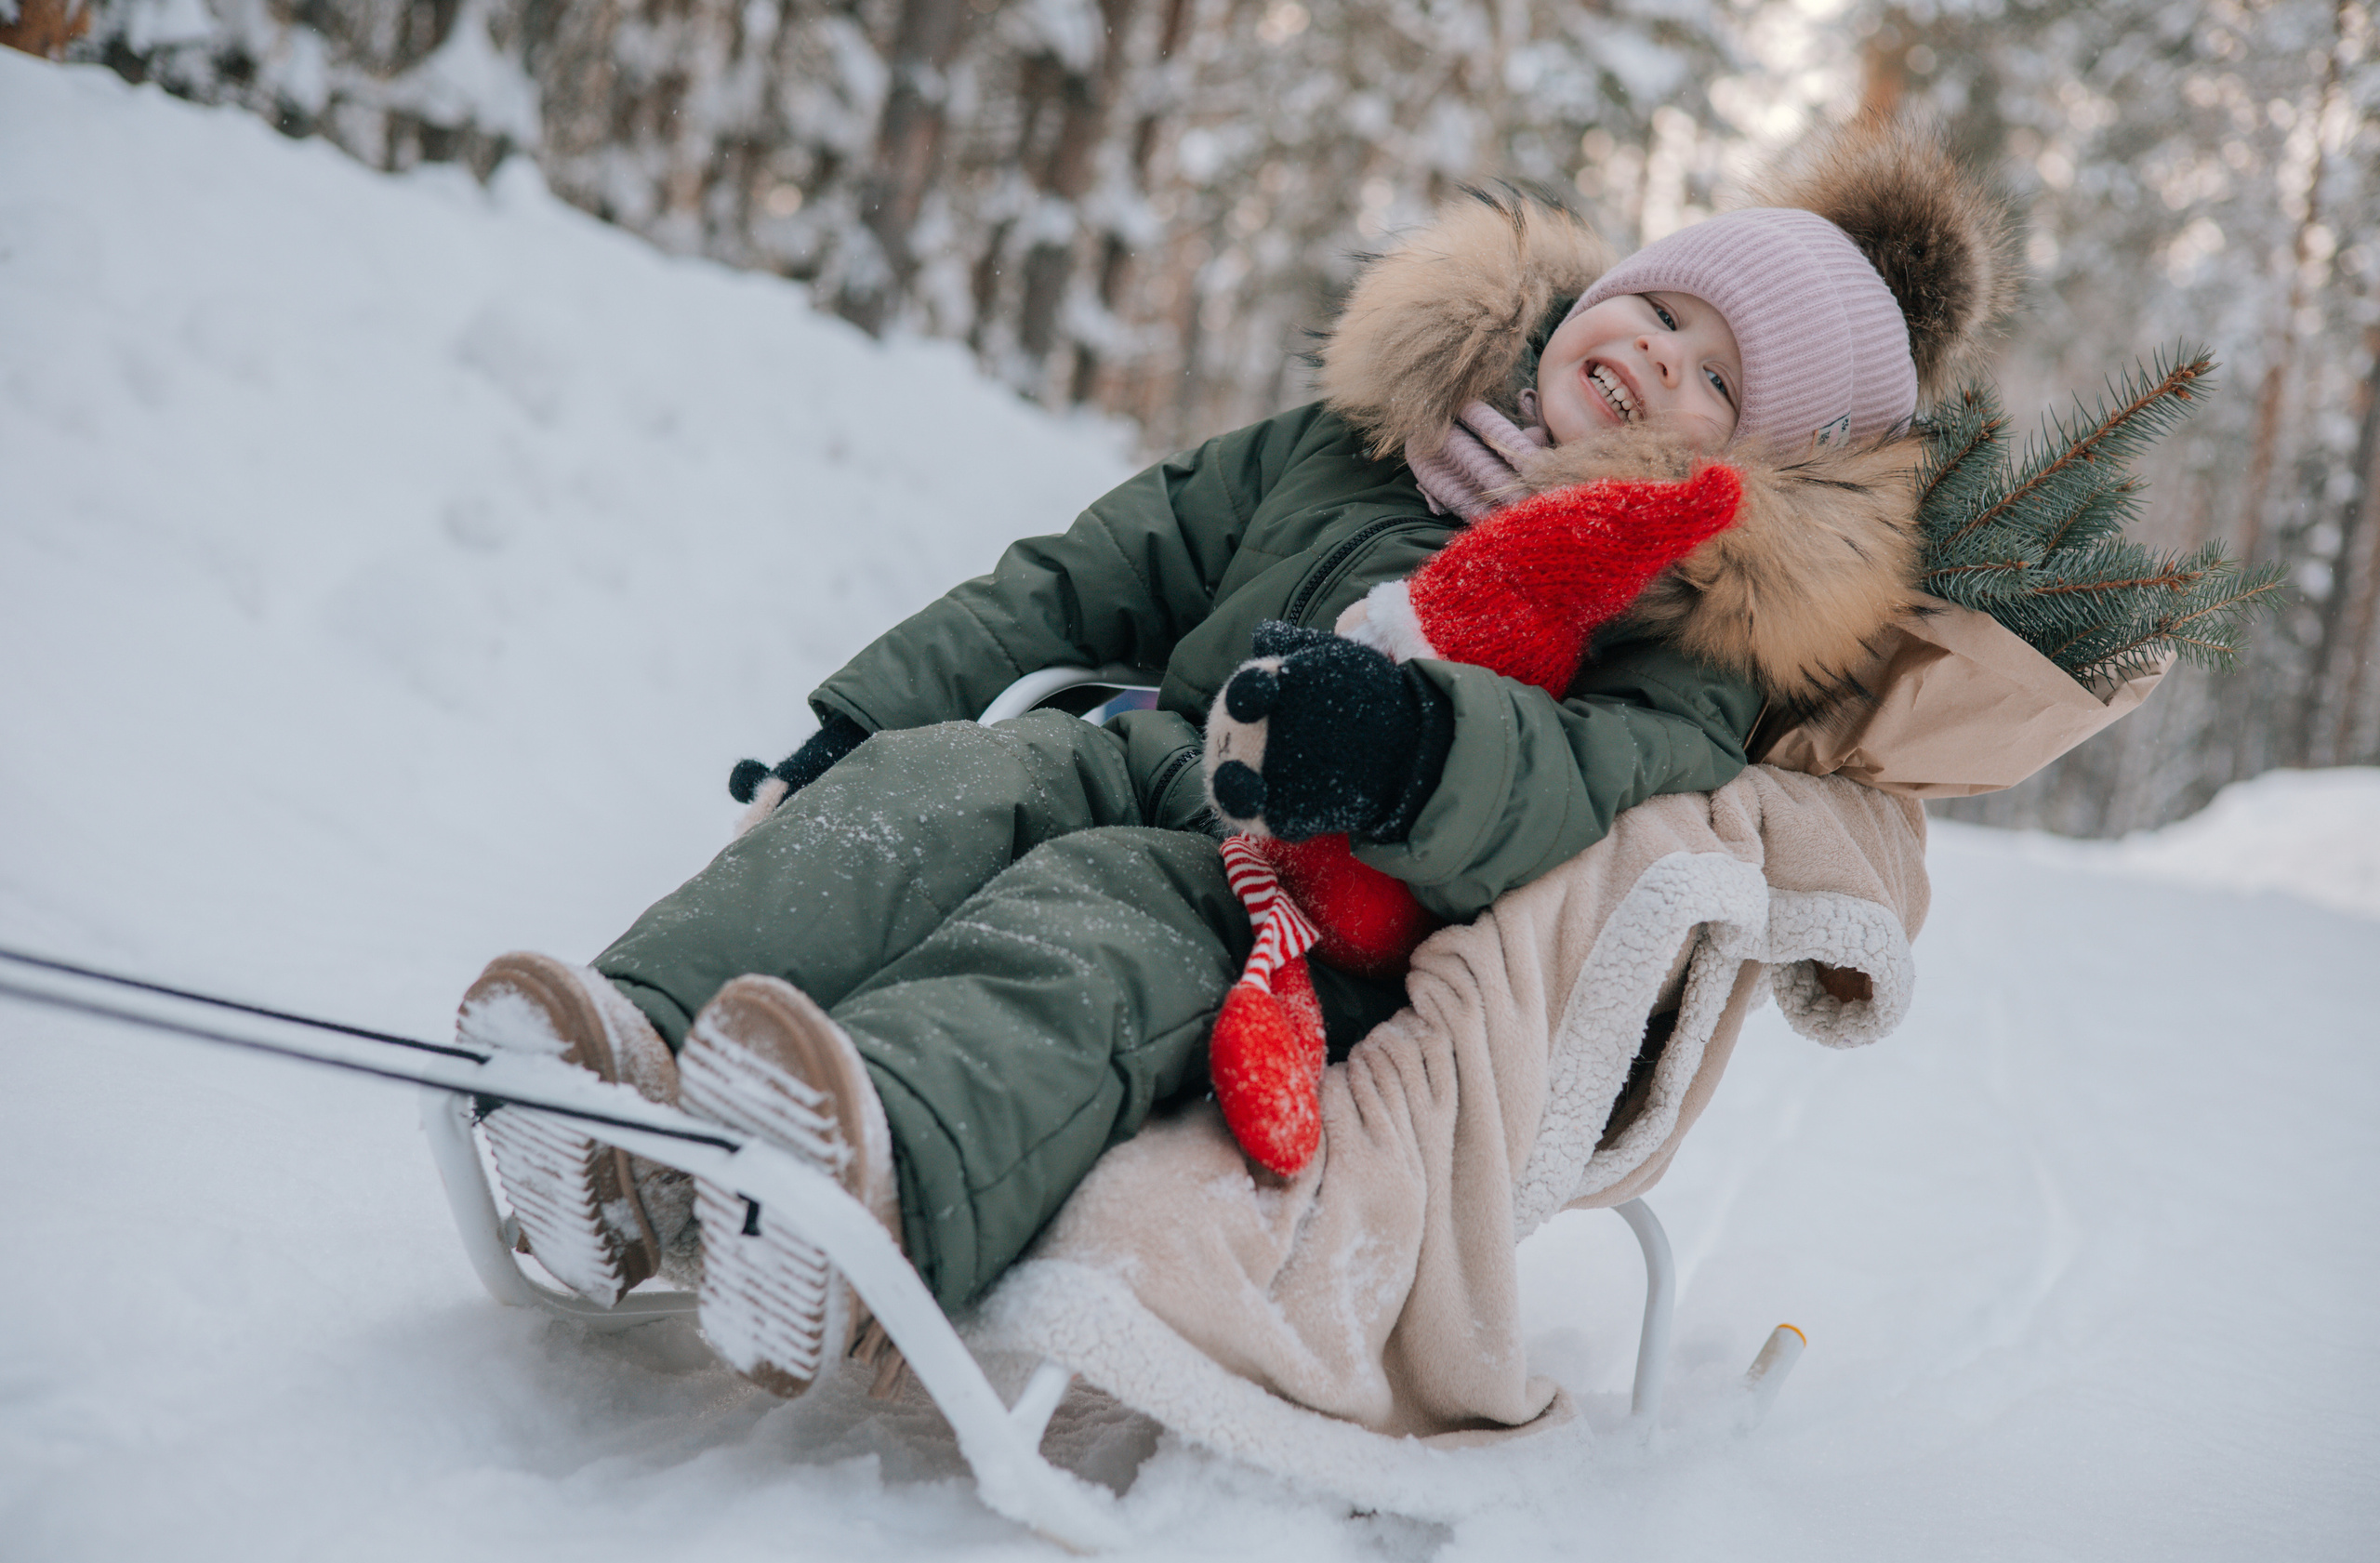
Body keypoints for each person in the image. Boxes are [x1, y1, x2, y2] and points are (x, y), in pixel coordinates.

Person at [456, 115, 2016, 1401]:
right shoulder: (1360, 439)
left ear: (1747, 471)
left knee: (1094, 928)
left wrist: (1404, 751)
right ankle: (619, 1072)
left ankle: (879, 1189)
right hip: (1136, 755)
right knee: (949, 786)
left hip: (1310, 905)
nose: (1662, 362)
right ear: (1601, 290)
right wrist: (870, 711)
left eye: (1720, 385)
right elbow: (1090, 572)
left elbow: (1585, 783)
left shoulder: (1677, 624)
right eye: (1664, 312)